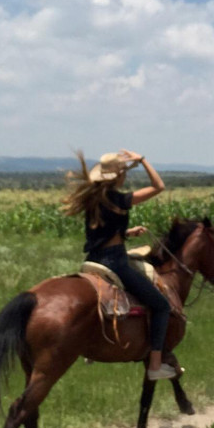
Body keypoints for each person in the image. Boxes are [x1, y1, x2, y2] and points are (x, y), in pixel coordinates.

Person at [62, 150, 177, 380]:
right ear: (119, 176)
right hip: (115, 261)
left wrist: (126, 232)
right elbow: (159, 186)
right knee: (161, 306)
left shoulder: (93, 198)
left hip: (93, 259)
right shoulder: (120, 199)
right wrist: (142, 160)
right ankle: (155, 365)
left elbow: (102, 230)